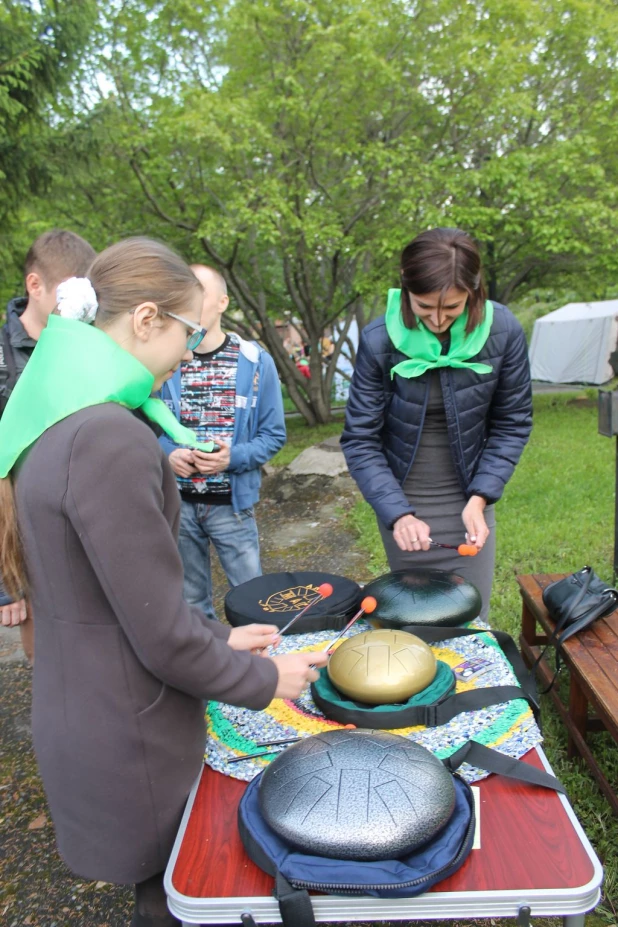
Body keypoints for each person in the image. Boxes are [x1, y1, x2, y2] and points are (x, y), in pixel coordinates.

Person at [0, 238, 326, 927]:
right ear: (146, 319)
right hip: (129, 737)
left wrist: (221, 635)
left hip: (91, 715)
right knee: (174, 901)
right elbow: (157, 634)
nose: (189, 350)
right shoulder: (108, 437)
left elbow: (112, 601)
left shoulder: (56, 419)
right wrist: (271, 680)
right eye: (189, 330)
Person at [340, 228, 532, 621]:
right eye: (424, 307)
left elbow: (512, 423)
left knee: (471, 617)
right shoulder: (379, 339)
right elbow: (360, 439)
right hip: (405, 502)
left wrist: (480, 500)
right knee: (417, 617)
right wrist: (398, 514)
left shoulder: (503, 331)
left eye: (452, 308)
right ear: (406, 289)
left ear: (474, 293)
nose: (438, 320)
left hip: (468, 503)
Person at [158, 263, 286, 621]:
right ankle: (206, 674)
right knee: (192, 605)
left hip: (232, 505)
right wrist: (168, 454)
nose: (190, 299)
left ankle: (262, 671)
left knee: (254, 602)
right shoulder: (164, 358)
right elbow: (141, 426)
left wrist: (232, 458)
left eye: (200, 291)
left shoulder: (255, 362)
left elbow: (274, 435)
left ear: (223, 302)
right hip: (177, 503)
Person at [0, 229, 96, 661]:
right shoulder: (3, 356)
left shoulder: (86, 345)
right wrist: (7, 580)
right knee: (45, 649)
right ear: (34, 285)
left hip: (82, 515)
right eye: (68, 293)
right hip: (21, 525)